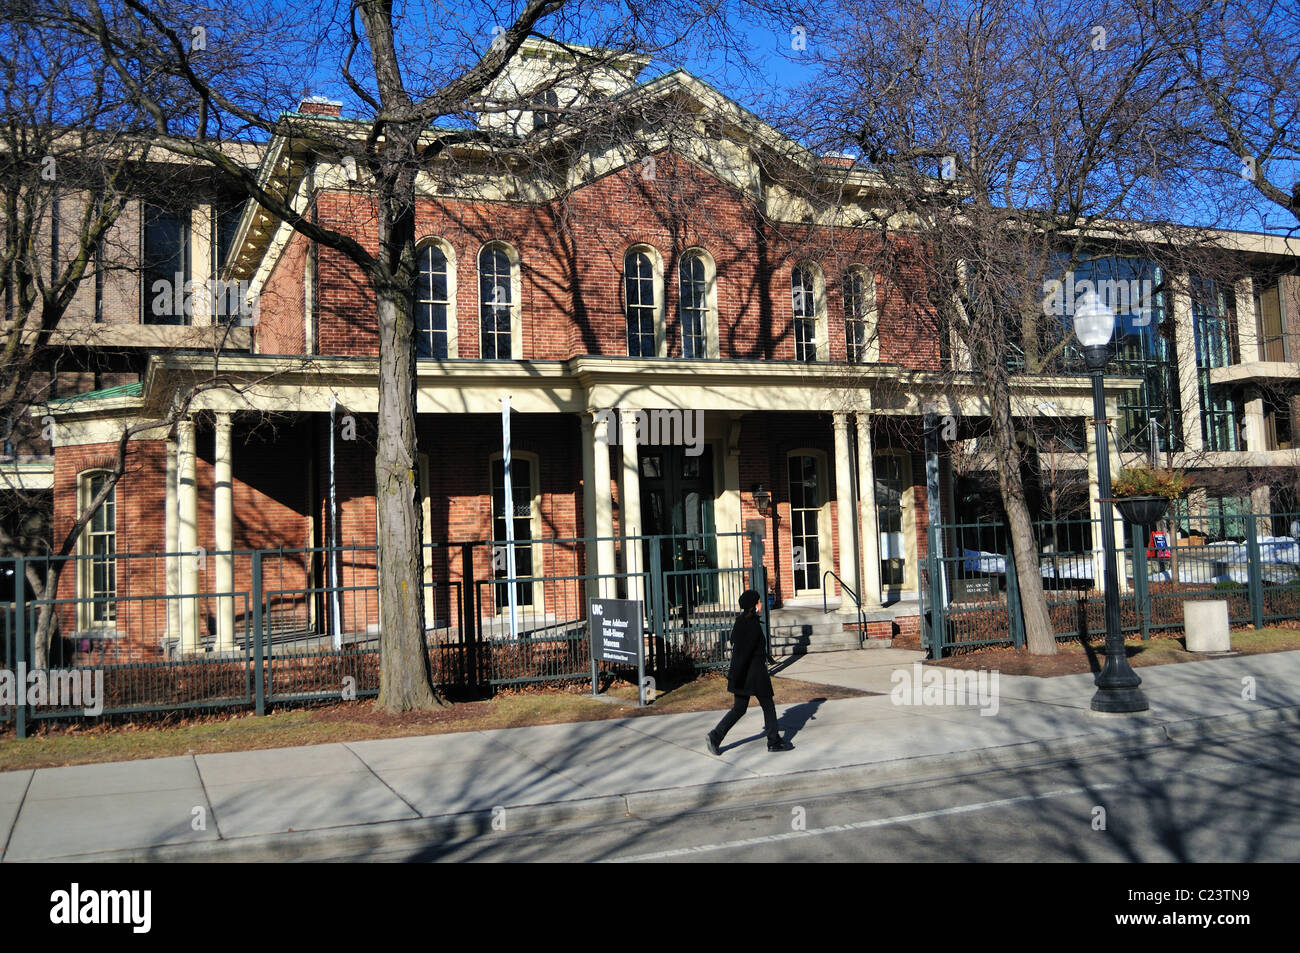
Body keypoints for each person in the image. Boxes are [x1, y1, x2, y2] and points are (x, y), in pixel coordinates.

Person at [706, 589, 793, 754]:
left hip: (743, 675)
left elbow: (737, 646)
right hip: (754, 674)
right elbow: (744, 653)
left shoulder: (741, 622)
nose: (761, 604)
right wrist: (737, 676)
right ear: (754, 605)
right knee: (768, 705)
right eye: (759, 602)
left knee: (739, 708)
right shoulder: (751, 625)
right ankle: (774, 742)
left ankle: (715, 736)